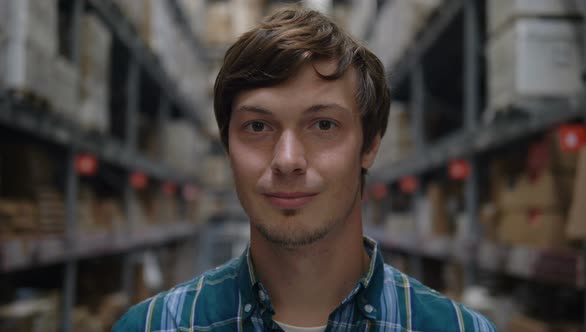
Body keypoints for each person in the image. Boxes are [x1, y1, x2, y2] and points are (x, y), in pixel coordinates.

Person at [114, 6, 496, 332]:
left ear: (370, 146)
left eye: (324, 125)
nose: (287, 160)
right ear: (228, 147)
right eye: (258, 127)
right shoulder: (154, 325)